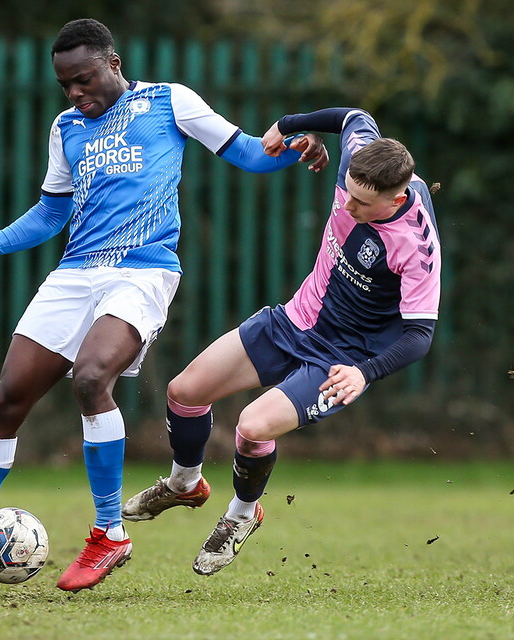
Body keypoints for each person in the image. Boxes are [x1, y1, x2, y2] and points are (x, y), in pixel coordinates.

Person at [0, 18, 328, 594]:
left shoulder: (168, 102)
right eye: (65, 85)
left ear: (112, 63)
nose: (75, 94)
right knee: (6, 401)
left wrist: (294, 151)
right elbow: (51, 214)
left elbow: (251, 155)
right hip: (75, 274)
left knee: (91, 378)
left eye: (83, 80)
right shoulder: (66, 129)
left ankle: (109, 533)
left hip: (144, 271)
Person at [122, 107, 441, 576]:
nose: (346, 207)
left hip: (339, 360)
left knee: (252, 427)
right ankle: (184, 483)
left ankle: (241, 516)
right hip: (293, 320)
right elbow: (353, 114)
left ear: (394, 202)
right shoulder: (362, 157)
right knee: (183, 392)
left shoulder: (414, 245)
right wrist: (287, 125)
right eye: (346, 192)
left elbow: (420, 335)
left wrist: (363, 372)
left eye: (361, 204)